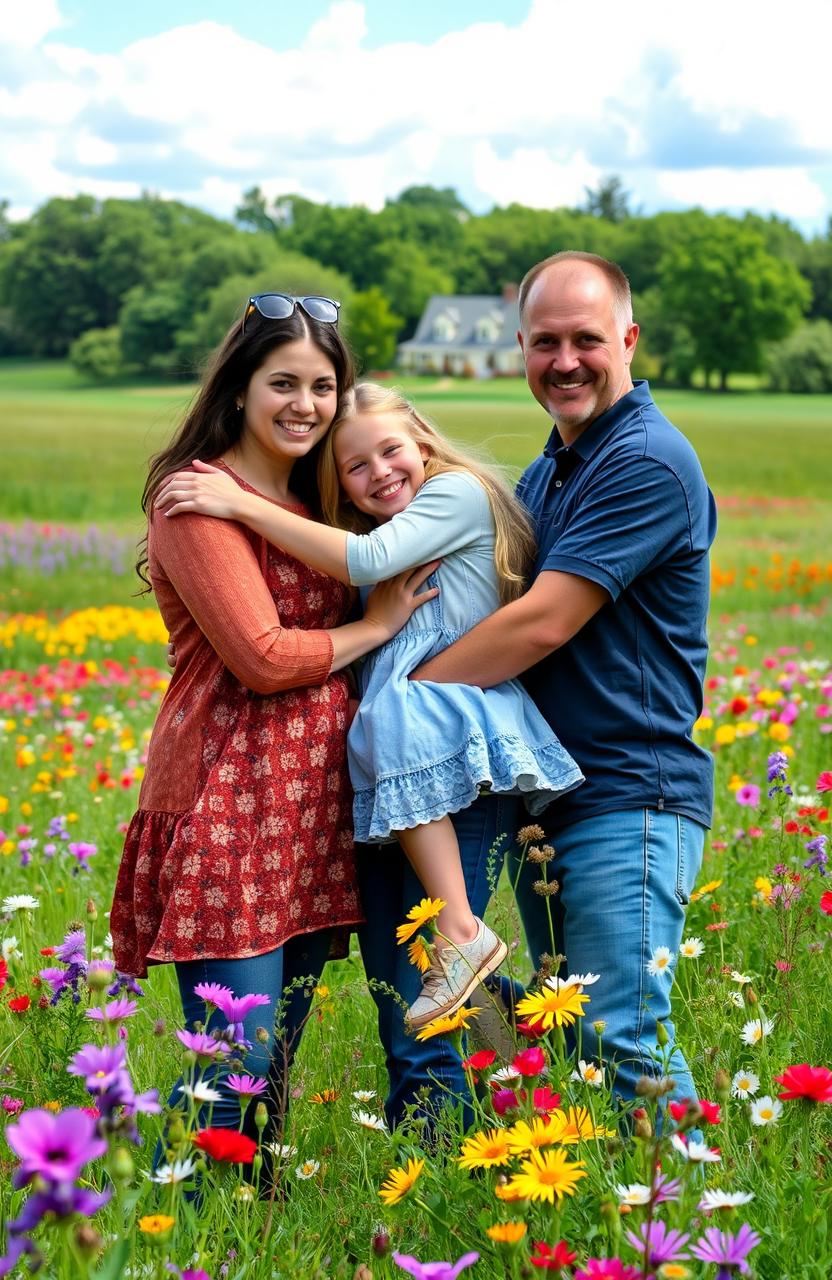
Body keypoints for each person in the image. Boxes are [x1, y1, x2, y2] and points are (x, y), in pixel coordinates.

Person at [110, 293, 438, 1144]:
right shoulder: (199, 496)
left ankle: (240, 1232)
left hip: (311, 806)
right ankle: (175, 1234)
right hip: (231, 802)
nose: (305, 404)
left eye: (323, 386)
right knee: (236, 1062)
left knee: (274, 1062)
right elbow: (260, 657)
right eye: (283, 382)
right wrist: (371, 628)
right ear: (240, 387)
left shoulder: (319, 496)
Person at [155, 382, 583, 1032]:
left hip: (447, 730)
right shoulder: (395, 521)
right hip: (417, 735)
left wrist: (238, 503)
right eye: (357, 467)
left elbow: (366, 562)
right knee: (411, 990)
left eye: (389, 451)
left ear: (421, 439)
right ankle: (515, 1018)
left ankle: (468, 939)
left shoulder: (453, 493)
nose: (379, 472)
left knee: (384, 721)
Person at [411, 251, 717, 1106]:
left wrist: (408, 694)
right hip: (555, 799)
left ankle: (690, 1222)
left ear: (628, 338)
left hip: (629, 793)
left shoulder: (645, 460)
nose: (566, 360)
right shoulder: (551, 472)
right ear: (520, 348)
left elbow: (543, 621)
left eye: (587, 338)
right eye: (546, 342)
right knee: (576, 1031)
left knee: (621, 1033)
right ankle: (635, 1223)